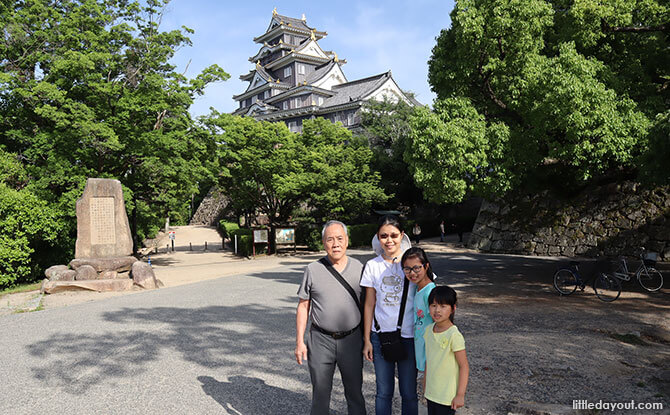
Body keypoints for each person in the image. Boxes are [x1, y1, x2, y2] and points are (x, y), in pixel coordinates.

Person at [295, 220, 366, 415]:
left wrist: (368, 339)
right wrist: (300, 342)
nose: (335, 244)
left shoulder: (359, 268)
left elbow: (368, 305)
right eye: (330, 239)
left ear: (347, 241)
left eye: (339, 238)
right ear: (323, 243)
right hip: (320, 340)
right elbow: (303, 306)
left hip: (352, 339)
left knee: (354, 392)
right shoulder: (312, 269)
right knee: (320, 393)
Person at [362, 215, 417, 415]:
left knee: (409, 392)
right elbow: (369, 304)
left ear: (402, 235)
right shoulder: (372, 265)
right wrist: (367, 339)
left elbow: (428, 291)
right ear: (378, 237)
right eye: (384, 236)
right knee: (383, 392)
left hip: (409, 336)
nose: (389, 240)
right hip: (380, 336)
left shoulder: (412, 262)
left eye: (394, 235)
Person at [424, 286, 470, 415]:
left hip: (447, 397)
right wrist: (425, 384)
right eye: (433, 305)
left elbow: (464, 366)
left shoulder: (454, 335)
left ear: (453, 308)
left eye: (443, 306)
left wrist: (460, 394)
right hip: (432, 393)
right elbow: (429, 359)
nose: (437, 310)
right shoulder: (428, 330)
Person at [401, 247, 436, 380]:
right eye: (407, 269)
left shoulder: (430, 292)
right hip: (420, 356)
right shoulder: (417, 288)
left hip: (430, 358)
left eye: (416, 268)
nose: (412, 273)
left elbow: (439, 325)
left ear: (426, 266)